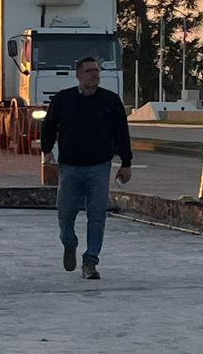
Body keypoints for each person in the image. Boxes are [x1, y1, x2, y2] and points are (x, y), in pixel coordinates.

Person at [40, 56, 133, 280]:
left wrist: (126, 162)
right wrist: (47, 151)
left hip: (99, 167)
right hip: (70, 166)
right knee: (65, 213)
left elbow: (122, 132)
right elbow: (49, 125)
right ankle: (69, 242)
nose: (95, 74)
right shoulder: (64, 99)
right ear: (79, 74)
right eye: (90, 71)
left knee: (97, 215)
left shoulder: (110, 101)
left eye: (97, 71)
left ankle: (90, 261)